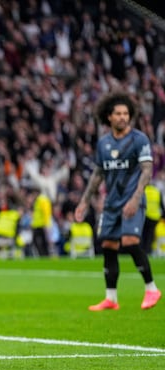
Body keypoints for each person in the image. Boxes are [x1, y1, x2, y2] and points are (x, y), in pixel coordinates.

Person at [74, 92, 161, 311]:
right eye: (118, 114)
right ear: (109, 117)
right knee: (108, 245)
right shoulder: (103, 143)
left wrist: (135, 198)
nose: (123, 117)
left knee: (130, 241)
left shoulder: (139, 139)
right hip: (111, 204)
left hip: (132, 201)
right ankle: (111, 298)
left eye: (126, 113)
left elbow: (147, 170)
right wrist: (84, 201)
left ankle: (152, 288)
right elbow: (97, 175)